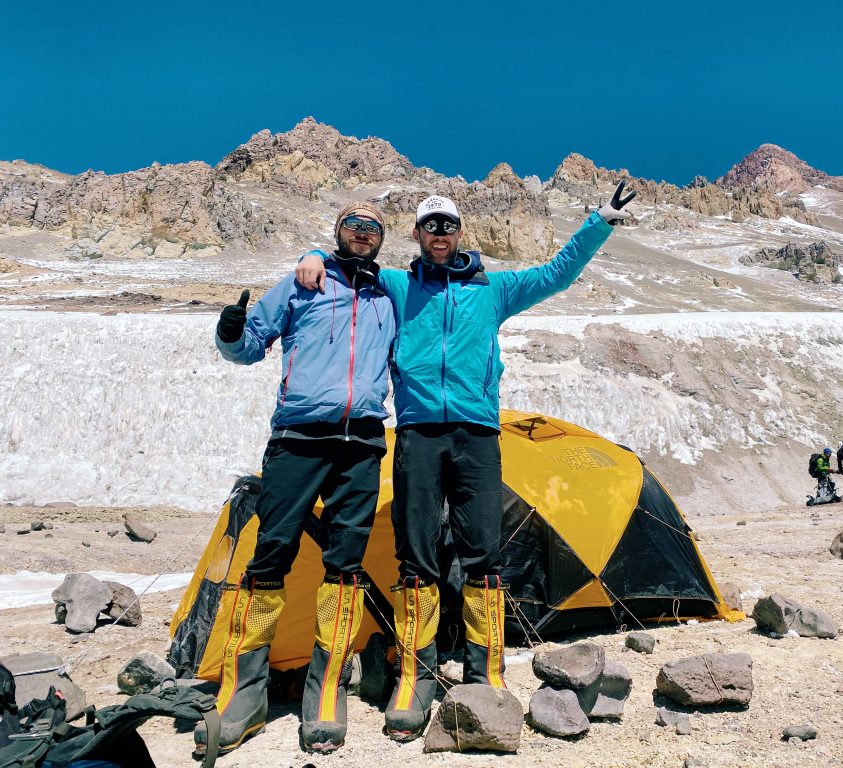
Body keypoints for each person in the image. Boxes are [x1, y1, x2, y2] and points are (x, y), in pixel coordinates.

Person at [295, 182, 636, 740]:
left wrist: (599, 221)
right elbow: (349, 265)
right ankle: (415, 676)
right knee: (417, 553)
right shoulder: (399, 284)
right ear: (417, 234)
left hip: (477, 434)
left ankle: (486, 673)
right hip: (419, 432)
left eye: (448, 226)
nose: (440, 235)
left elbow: (556, 274)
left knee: (483, 551)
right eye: (430, 226)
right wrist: (313, 255)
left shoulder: (493, 289)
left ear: (459, 234)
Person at [197, 202, 396, 756]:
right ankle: (244, 694)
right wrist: (230, 332)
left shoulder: (389, 295)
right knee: (271, 554)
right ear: (337, 234)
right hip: (298, 440)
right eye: (353, 225)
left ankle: (325, 690)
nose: (362, 233)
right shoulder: (302, 282)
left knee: (346, 563)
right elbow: (247, 347)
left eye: (373, 228)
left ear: (382, 240)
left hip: (362, 444)